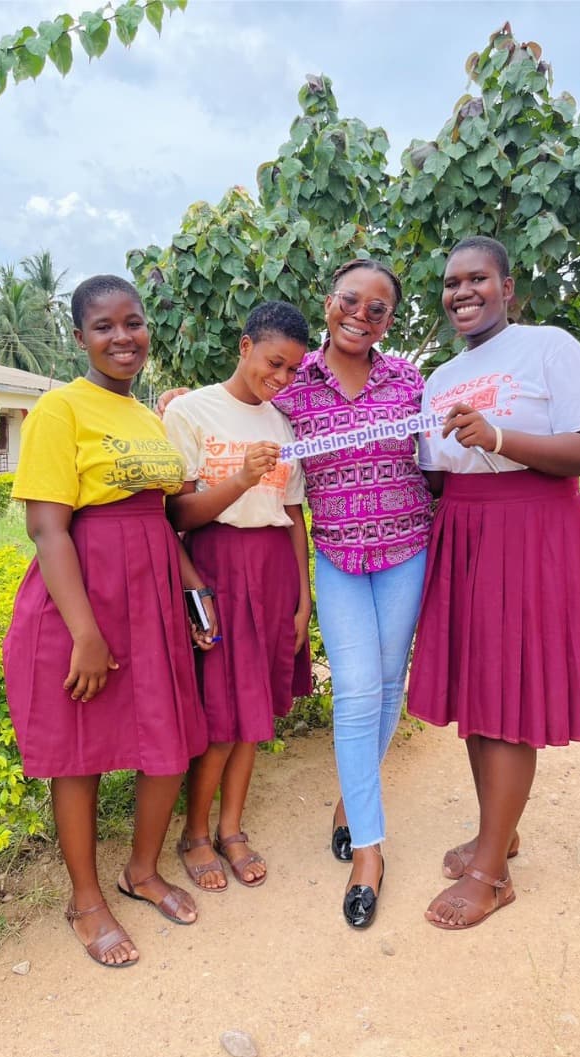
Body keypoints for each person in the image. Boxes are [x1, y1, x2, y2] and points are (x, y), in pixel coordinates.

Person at [162, 259, 433, 927]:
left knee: (389, 686)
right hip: (338, 559)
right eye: (351, 301)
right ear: (329, 302)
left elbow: (436, 457)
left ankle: (351, 804)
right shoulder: (296, 387)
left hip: (405, 552)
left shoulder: (407, 380)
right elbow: (231, 407)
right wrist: (169, 404)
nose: (361, 316)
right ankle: (369, 853)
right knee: (355, 689)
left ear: (390, 320)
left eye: (378, 309)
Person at [406, 236, 580, 930]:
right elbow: (436, 473)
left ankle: (490, 873)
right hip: (467, 535)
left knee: (511, 695)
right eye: (450, 282)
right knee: (479, 690)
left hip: (535, 533)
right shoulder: (438, 378)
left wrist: (500, 438)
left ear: (508, 288)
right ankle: (497, 833)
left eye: (477, 279)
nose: (462, 292)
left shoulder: (549, 347)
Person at [3, 275, 217, 969]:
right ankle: (86, 899)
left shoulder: (151, 419)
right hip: (84, 599)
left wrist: (193, 590)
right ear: (79, 337)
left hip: (152, 596)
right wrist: (87, 634)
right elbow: (47, 528)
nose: (123, 337)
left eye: (134, 322)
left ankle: (143, 870)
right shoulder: (60, 409)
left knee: (169, 738)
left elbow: (158, 521)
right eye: (104, 326)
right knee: (81, 751)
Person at [162, 301, 312, 892]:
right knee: (222, 715)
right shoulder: (191, 411)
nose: (280, 377)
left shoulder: (283, 425)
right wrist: (241, 478)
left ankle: (231, 828)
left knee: (253, 717)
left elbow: (293, 514)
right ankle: (194, 834)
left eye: (293, 370)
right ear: (245, 346)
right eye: (273, 362)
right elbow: (175, 511)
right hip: (217, 564)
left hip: (273, 571)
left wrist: (302, 601)